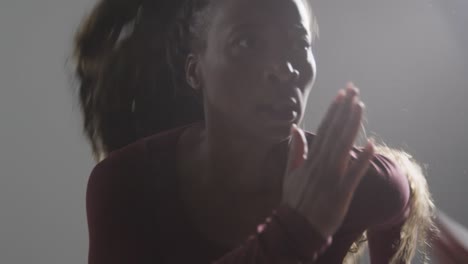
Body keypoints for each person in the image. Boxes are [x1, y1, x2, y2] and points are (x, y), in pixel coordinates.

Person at [73, 0, 436, 263]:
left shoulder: (342, 182)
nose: (285, 68)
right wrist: (297, 231)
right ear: (194, 71)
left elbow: (399, 190)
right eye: (247, 43)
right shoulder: (126, 186)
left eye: (299, 43)